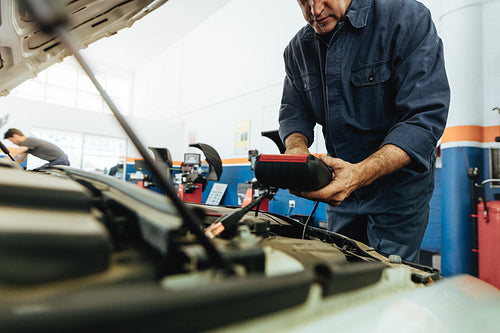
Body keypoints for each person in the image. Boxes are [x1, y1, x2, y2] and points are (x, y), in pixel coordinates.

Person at [278, 0, 450, 262]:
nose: (314, 11)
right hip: (342, 194)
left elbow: (423, 118)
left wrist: (359, 173)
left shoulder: (406, 20)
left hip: (397, 197)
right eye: (304, 1)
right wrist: (296, 149)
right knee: (342, 272)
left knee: (387, 284)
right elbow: (293, 112)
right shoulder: (298, 50)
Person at [3, 128, 70, 167]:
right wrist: (13, 166)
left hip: (60, 160)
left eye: (11, 141)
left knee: (41, 172)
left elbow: (17, 152)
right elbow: (21, 159)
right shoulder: (27, 145)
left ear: (15, 136)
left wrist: (3, 161)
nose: (13, 143)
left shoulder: (28, 141)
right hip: (58, 159)